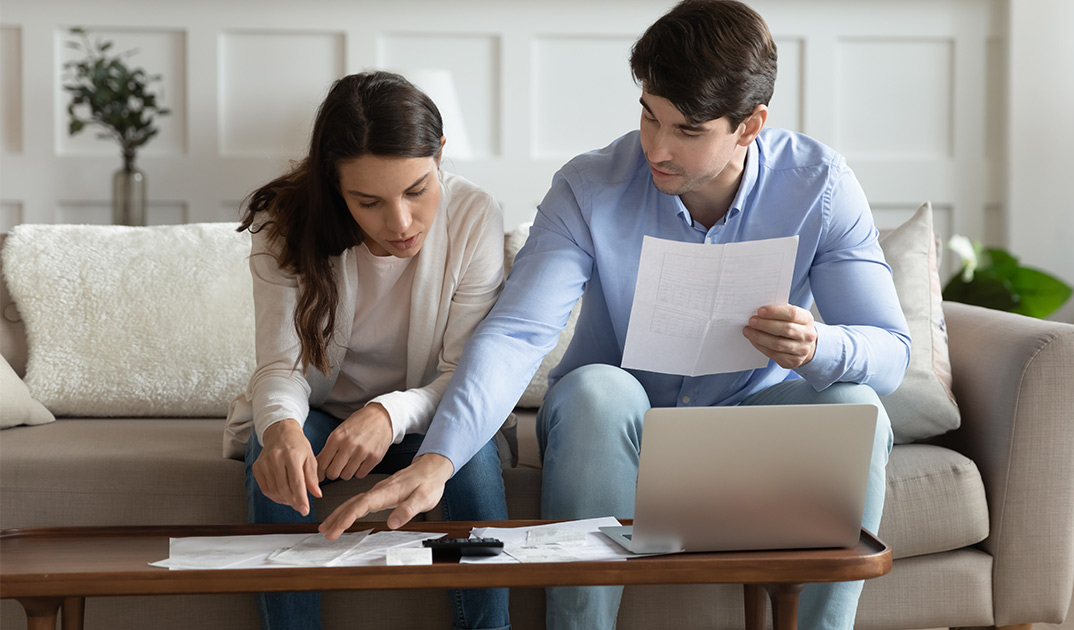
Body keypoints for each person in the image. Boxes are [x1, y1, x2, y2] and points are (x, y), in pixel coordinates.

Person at [322, 1, 910, 628]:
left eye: (687, 131)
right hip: (612, 431)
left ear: (749, 125)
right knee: (596, 391)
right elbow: (518, 332)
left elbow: (890, 354)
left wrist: (819, 345)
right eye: (649, 116)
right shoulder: (589, 186)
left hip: (752, 429)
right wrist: (435, 461)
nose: (656, 147)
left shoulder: (819, 186)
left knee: (859, 409)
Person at [223, 71, 510, 630]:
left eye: (417, 190)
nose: (400, 223)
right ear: (335, 187)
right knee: (275, 451)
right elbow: (282, 368)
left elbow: (467, 375)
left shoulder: (475, 216)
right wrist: (280, 426)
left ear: (440, 155)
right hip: (323, 416)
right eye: (368, 200)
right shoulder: (283, 224)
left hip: (428, 417)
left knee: (471, 460)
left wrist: (388, 413)